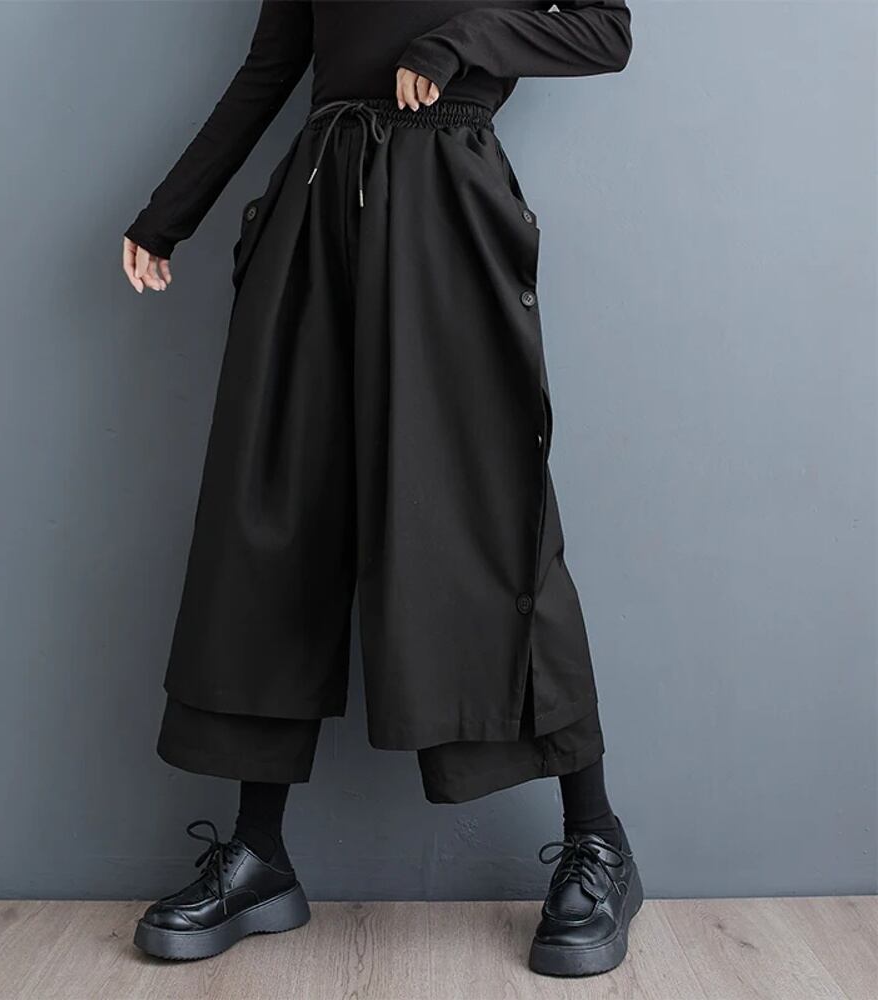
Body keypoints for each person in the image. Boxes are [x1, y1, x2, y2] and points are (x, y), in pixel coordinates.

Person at [122, 0, 639, 978]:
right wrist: (169, 213)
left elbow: (604, 31)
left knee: (486, 520)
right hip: (314, 209)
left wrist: (460, 42)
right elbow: (271, 66)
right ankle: (258, 856)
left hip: (446, 205)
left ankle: (598, 839)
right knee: (274, 516)